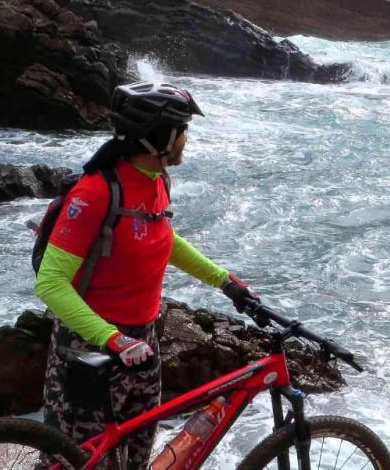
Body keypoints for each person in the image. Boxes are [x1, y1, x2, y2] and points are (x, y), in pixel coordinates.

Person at [34, 81, 259, 468]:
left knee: (134, 460)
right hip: (89, 350)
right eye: (183, 130)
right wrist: (111, 338)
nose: (187, 139)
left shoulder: (156, 180)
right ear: (161, 136)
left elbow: (162, 239)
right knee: (72, 464)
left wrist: (224, 280)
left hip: (143, 342)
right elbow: (50, 283)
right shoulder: (94, 193)